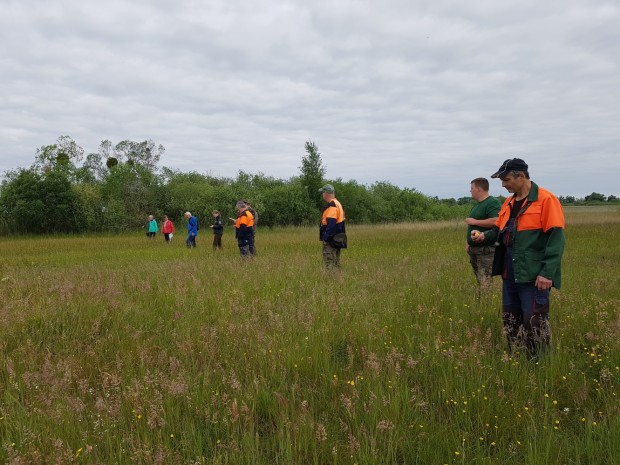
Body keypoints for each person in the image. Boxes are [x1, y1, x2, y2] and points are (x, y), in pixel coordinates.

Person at [472, 158, 565, 357]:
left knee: (534, 319)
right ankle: (517, 355)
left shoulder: (546, 199)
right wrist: (483, 237)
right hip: (509, 269)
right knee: (511, 317)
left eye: (506, 180)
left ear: (521, 176)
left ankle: (539, 362)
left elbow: (556, 240)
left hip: (533, 273)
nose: (504, 185)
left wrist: (547, 273)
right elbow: (499, 230)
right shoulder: (509, 202)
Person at [465, 177, 501, 292]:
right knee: (480, 280)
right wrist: (467, 243)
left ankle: (487, 304)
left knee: (485, 281)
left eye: (472, 188)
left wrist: (474, 221)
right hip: (474, 249)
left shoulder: (492, 202)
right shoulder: (477, 205)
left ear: (479, 189)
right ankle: (483, 302)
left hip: (485, 250)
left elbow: (497, 221)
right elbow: (472, 227)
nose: (470, 191)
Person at [319, 184, 347, 268]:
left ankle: (331, 279)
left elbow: (331, 225)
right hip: (338, 238)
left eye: (322, 193)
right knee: (336, 262)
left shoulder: (332, 205)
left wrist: (326, 239)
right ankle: (338, 279)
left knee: (330, 262)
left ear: (326, 193)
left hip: (331, 240)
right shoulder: (337, 203)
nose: (322, 195)